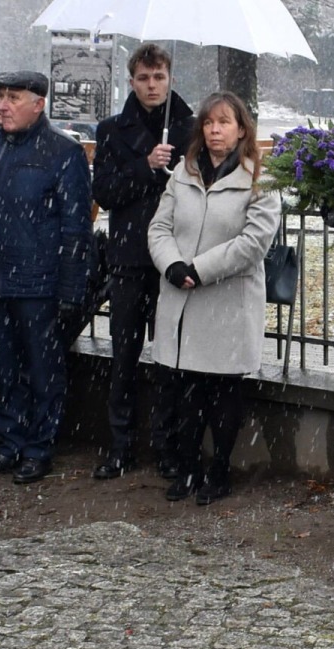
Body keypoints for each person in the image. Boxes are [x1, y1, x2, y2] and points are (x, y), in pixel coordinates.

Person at [148, 91, 278, 505]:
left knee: (222, 392)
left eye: (224, 122)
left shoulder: (259, 179)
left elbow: (253, 243)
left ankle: (219, 470)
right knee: (186, 393)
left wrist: (200, 269)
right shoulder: (182, 173)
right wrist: (172, 264)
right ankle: (188, 468)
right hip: (182, 298)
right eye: (208, 123)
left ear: (241, 129)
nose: (215, 131)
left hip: (226, 302)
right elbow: (159, 227)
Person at [0, 70, 93, 484]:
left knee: (42, 370)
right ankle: (9, 444)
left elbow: (76, 228)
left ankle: (39, 448)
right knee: (1, 369)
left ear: (38, 104)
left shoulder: (63, 152)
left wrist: (71, 287)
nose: (0, 104)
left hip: (40, 284)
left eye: (11, 97)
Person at [89, 42, 193, 481]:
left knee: (172, 358)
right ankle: (121, 446)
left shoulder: (191, 128)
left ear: (170, 79)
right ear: (131, 81)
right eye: (144, 78)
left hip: (174, 259)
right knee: (124, 358)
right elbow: (104, 192)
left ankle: (169, 447)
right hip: (129, 258)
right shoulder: (112, 130)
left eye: (159, 77)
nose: (152, 86)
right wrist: (146, 166)